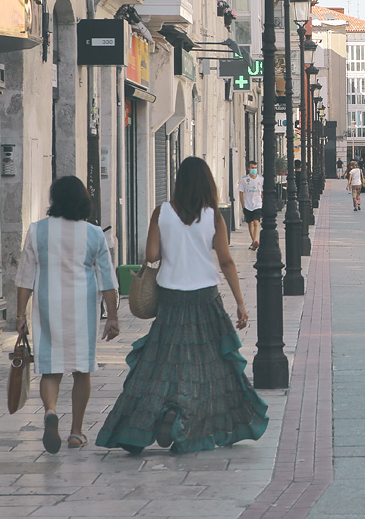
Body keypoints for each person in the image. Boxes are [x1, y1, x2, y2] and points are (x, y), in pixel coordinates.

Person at [97, 157, 267, 454]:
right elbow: (226, 261)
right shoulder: (214, 216)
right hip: (205, 298)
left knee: (161, 363)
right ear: (207, 183)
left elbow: (150, 254)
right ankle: (187, 421)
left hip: (171, 299)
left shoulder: (161, 212)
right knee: (209, 364)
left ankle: (151, 419)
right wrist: (240, 303)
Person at [16, 176, 119, 453]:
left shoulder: (37, 231)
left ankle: (50, 412)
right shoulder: (94, 234)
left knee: (51, 368)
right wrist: (112, 316)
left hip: (48, 307)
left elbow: (25, 278)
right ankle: (76, 432)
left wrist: (19, 316)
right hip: (82, 310)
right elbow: (107, 280)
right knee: (81, 370)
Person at [239, 162, 263, 251]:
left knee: (256, 222)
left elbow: (262, 192)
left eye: (256, 167)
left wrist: (263, 202)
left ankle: (256, 240)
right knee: (250, 223)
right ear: (248, 168)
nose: (254, 169)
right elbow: (241, 192)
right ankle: (254, 241)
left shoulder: (261, 179)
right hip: (248, 204)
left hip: (257, 204)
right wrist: (242, 205)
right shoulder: (244, 180)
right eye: (252, 167)